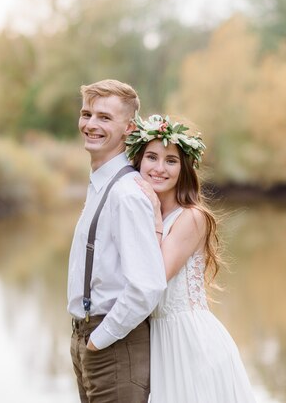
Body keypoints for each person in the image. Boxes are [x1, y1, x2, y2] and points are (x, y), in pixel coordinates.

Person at [128, 112, 257, 403]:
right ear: (138, 161)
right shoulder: (144, 213)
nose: (160, 168)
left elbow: (155, 278)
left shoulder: (192, 218)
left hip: (190, 342)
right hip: (160, 342)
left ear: (184, 169)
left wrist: (156, 221)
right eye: (151, 157)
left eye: (171, 161)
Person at [68, 80, 167, 403]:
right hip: (87, 338)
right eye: (87, 114)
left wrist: (100, 340)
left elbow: (147, 286)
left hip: (113, 345)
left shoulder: (126, 194)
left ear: (128, 128)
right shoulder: (102, 184)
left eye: (104, 117)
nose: (91, 124)